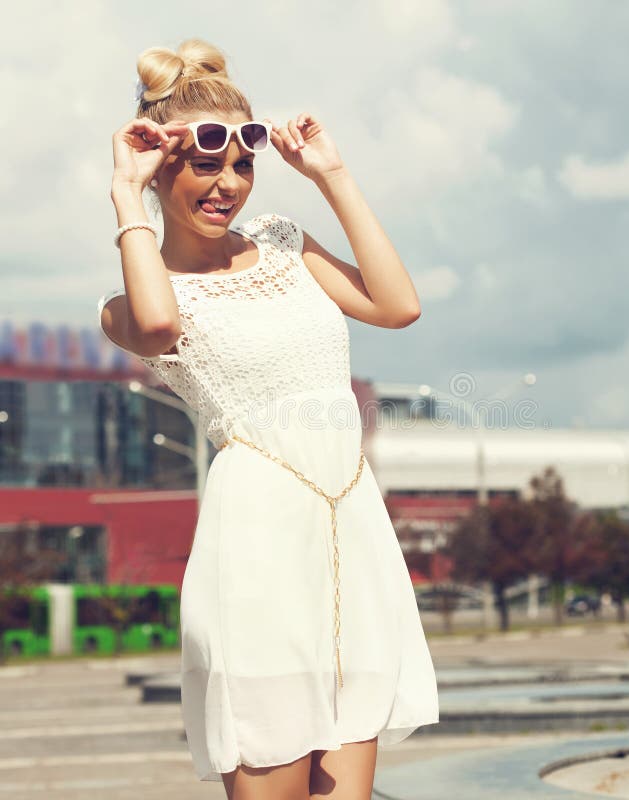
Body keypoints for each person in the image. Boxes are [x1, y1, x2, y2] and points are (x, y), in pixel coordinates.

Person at [98, 38, 439, 800]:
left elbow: (397, 305)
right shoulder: (134, 302)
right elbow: (157, 328)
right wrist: (127, 197)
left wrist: (333, 176)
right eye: (205, 165)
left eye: (242, 165)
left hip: (351, 531)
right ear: (162, 171)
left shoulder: (284, 244)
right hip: (258, 552)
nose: (228, 185)